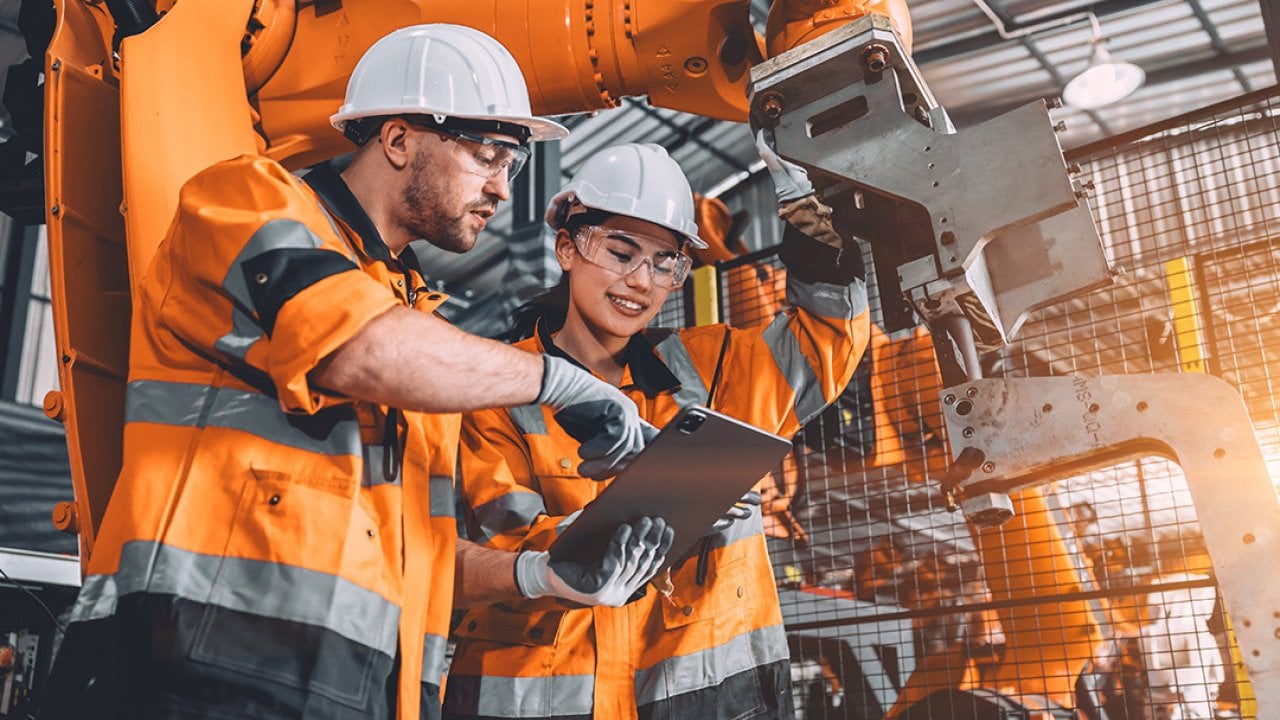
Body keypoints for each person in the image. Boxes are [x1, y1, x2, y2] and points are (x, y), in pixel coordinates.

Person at [40, 25, 674, 720]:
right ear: (398, 140)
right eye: (486, 155)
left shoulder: (414, 325)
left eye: (513, 166)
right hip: (188, 669)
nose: (500, 188)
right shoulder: (245, 203)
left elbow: (420, 555)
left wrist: (539, 572)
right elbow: (361, 349)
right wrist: (563, 382)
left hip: (352, 690)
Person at [443, 140, 872, 720]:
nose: (640, 281)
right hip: (543, 702)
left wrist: (807, 201)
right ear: (568, 248)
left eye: (663, 263)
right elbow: (505, 546)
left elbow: (828, 337)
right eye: (619, 253)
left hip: (708, 700)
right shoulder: (500, 391)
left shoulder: (718, 369)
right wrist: (626, 526)